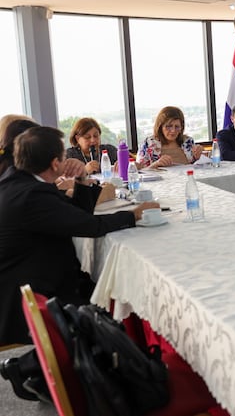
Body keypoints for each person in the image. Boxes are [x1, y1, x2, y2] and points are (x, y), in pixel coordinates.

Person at [0, 126, 158, 345]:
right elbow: (91, 226)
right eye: (63, 157)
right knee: (117, 291)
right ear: (55, 163)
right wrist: (134, 215)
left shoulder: (17, 181)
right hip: (33, 301)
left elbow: (75, 216)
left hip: (29, 284)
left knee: (105, 285)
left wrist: (82, 179)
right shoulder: (32, 196)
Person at [136, 106, 204, 168]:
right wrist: (156, 164)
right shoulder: (149, 143)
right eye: (168, 126)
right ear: (160, 127)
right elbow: (140, 172)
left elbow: (198, 168)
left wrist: (200, 157)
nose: (173, 131)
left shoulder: (187, 142)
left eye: (177, 127)